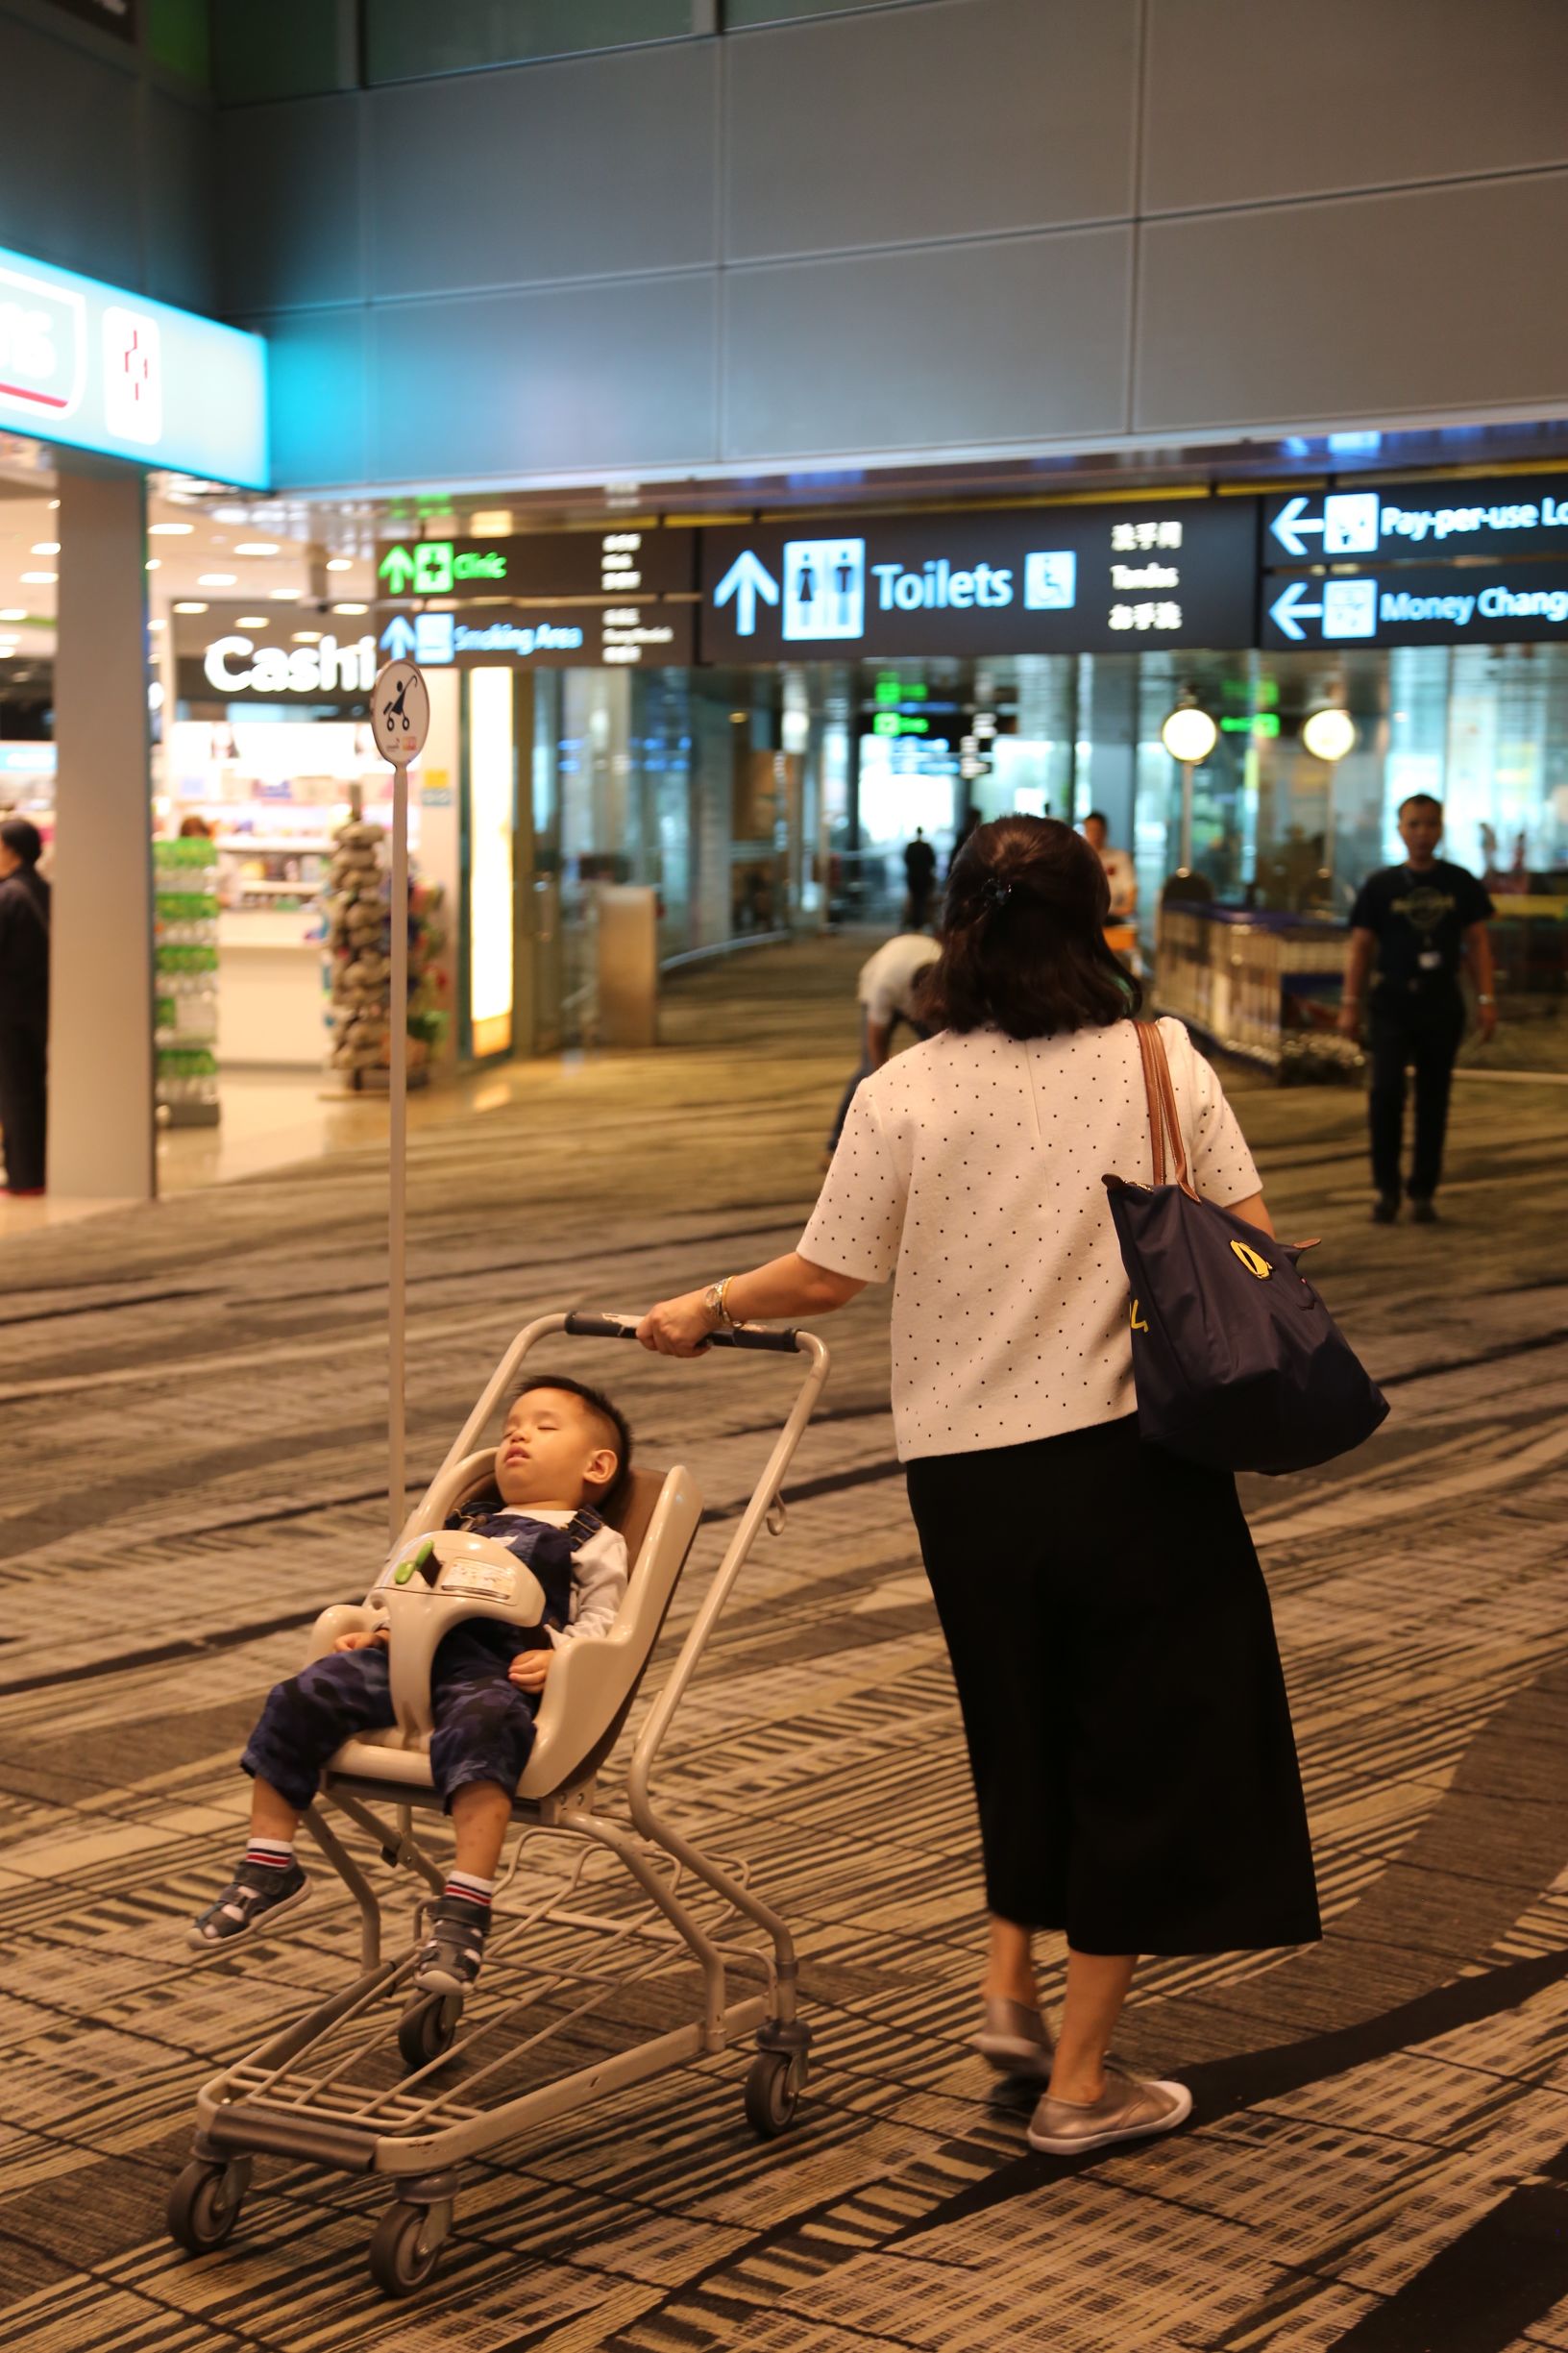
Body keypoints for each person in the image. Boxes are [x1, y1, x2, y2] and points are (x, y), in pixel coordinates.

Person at [639, 816, 1319, 2159]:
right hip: (1134, 1466)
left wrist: (701, 1308)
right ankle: (1077, 2083)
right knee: (1138, 1755)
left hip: (961, 1478)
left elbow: (826, 1274)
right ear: (1095, 927)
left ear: (957, 926)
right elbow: (1252, 1237)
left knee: (1017, 1726)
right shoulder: (1157, 1060)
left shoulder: (903, 1090)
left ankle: (1008, 1987)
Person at [190, 1378, 631, 1994]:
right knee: (300, 1695)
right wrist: (375, 1628)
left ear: (597, 1465)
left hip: (495, 1669)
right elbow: (404, 1589)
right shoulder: (460, 1525)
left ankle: (467, 1904)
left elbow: (604, 1627)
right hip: (404, 1659)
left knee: (487, 1732)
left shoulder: (592, 1542)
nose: (518, 1437)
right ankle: (268, 1863)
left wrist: (562, 1658)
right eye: (509, 1430)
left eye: (543, 1427)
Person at [1337, 793, 1496, 1225]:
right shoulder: (1380, 886)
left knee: (1434, 1098)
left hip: (1441, 1002)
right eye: (1414, 825)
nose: (1422, 833)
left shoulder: (1459, 882)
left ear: (1442, 828)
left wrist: (1486, 999)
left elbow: (1479, 942)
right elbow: (1361, 948)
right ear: (1400, 830)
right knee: (1386, 1093)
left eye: (1430, 824)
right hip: (1391, 1002)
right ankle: (1386, 1190)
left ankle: (1423, 1190)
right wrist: (1350, 1005)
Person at [824, 924, 940, 1160]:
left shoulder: (947, 972)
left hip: (926, 983)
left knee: (944, 1059)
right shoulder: (887, 985)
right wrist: (881, 1085)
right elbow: (876, 1040)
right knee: (867, 1071)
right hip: (878, 980)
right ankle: (836, 1144)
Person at [0, 815, 51, 1198]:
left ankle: (24, 1177)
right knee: (32, 1086)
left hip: (9, 1008)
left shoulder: (8, 895)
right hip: (41, 1004)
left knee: (16, 1089)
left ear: (9, 850)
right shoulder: (47, 890)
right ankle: (33, 1171)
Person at [1081, 810, 1137, 919]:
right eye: (1090, 830)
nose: (1094, 835)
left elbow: (1131, 888)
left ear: (1105, 831)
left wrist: (1128, 907)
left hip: (1113, 915)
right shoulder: (1078, 858)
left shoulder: (1120, 857)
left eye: (1097, 830)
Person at [903, 827, 938, 926]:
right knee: (922, 899)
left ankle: (916, 921)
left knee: (915, 899)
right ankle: (921, 920)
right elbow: (932, 861)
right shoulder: (927, 846)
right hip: (924, 877)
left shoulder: (911, 846)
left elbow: (907, 860)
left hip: (913, 877)